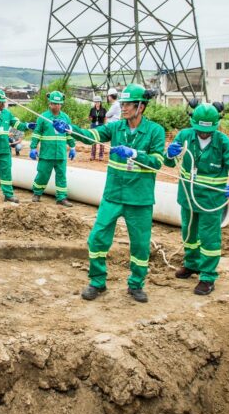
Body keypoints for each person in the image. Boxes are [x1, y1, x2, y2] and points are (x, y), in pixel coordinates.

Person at [52, 84, 165, 303]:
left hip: (139, 199)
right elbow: (91, 135)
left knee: (140, 245)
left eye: (128, 105)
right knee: (97, 239)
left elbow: (157, 162)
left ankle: (135, 285)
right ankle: (97, 281)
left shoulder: (155, 131)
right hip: (113, 194)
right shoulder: (115, 128)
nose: (123, 108)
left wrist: (134, 153)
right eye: (122, 104)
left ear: (141, 106)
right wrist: (69, 129)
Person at [163, 103, 229, 295]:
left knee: (209, 239)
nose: (203, 134)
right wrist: (169, 154)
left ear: (215, 126)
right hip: (188, 196)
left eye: (207, 130)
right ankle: (191, 264)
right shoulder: (184, 136)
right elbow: (169, 162)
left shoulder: (223, 142)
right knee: (189, 234)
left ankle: (208, 276)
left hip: (211, 200)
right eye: (200, 130)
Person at [27, 91, 76, 207]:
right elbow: (37, 133)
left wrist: (73, 147)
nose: (57, 106)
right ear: (50, 103)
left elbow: (69, 134)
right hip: (46, 154)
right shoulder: (43, 117)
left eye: (59, 104)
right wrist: (33, 148)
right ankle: (37, 193)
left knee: (61, 176)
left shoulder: (65, 118)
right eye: (55, 104)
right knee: (43, 174)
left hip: (60, 154)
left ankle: (61, 198)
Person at [88, 95, 107, 161]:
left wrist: (105, 125)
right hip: (93, 125)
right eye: (96, 102)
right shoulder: (92, 109)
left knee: (101, 140)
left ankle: (101, 156)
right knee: (94, 140)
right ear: (94, 102)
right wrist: (91, 118)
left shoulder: (103, 110)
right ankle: (93, 155)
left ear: (100, 102)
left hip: (101, 125)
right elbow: (89, 117)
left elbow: (105, 118)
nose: (97, 103)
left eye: (98, 102)